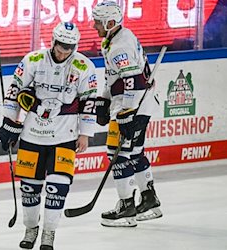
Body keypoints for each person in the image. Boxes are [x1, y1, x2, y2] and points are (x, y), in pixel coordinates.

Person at [0, 22, 98, 250]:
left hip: (65, 135)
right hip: (33, 134)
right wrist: (9, 121)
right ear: (53, 41)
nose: (64, 51)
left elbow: (89, 102)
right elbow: (14, 90)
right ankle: (31, 228)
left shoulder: (84, 66)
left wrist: (85, 134)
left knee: (57, 186)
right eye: (61, 46)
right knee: (30, 188)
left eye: (70, 47)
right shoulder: (33, 59)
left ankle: (49, 233)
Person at [91, 1, 162, 227]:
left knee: (117, 153)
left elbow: (135, 82)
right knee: (135, 152)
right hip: (138, 104)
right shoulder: (119, 37)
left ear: (110, 23)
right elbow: (114, 76)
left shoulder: (119, 46)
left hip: (133, 106)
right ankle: (149, 199)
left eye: (97, 22)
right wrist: (104, 99)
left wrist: (126, 113)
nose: (94, 26)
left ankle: (126, 207)